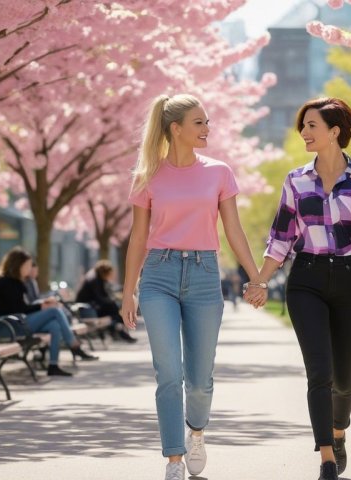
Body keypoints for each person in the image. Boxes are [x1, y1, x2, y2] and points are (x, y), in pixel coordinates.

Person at [244, 97, 351, 480]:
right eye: (303, 126)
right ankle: (326, 457)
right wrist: (260, 280)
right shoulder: (295, 181)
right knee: (319, 372)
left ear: (334, 131)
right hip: (306, 279)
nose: (304, 133)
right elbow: (280, 238)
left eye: (311, 126)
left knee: (345, 377)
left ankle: (338, 432)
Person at [120, 94, 262, 480]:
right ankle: (173, 459)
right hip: (159, 276)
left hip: (203, 275)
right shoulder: (147, 175)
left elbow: (233, 230)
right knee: (168, 373)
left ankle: (196, 431)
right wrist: (128, 291)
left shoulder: (219, 173)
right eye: (199, 122)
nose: (207, 129)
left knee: (199, 380)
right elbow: (137, 238)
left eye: (208, 121)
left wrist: (256, 276)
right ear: (176, 129)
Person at [0, 246, 98, 376]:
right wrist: (42, 307)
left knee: (54, 325)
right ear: (18, 264)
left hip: (17, 322)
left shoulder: (15, 281)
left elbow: (22, 307)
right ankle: (74, 345)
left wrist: (42, 304)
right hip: (8, 326)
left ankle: (53, 366)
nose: (30, 269)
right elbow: (18, 309)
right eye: (28, 265)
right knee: (54, 311)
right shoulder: (5, 282)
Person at [75, 260, 137, 343]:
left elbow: (104, 296)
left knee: (113, 309)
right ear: (105, 272)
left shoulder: (97, 278)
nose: (111, 276)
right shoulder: (94, 280)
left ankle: (119, 329)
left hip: (93, 306)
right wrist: (114, 301)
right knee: (113, 308)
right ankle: (120, 328)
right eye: (110, 273)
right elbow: (100, 298)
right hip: (88, 308)